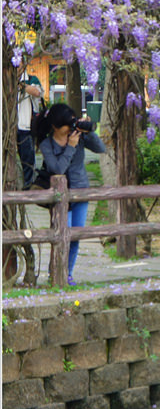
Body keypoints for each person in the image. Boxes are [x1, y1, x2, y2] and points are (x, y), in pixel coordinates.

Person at [33, 103, 106, 286]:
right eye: (68, 125)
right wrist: (71, 147)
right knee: (61, 236)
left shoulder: (78, 136)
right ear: (56, 126)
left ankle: (68, 274)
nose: (71, 129)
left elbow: (100, 148)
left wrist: (88, 131)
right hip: (60, 197)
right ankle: (56, 273)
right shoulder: (47, 144)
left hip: (81, 192)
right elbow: (57, 169)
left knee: (75, 236)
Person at [17, 71, 43, 189]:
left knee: (27, 159)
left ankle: (29, 186)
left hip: (25, 126)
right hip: (11, 127)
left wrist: (20, 84)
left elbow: (37, 92)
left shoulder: (31, 79)